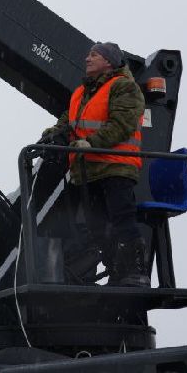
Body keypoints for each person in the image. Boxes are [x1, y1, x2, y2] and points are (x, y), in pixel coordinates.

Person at [43, 42, 148, 287]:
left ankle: (136, 271)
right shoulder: (81, 93)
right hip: (87, 171)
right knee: (98, 227)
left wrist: (92, 142)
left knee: (122, 220)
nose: (87, 58)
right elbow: (67, 122)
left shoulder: (124, 87)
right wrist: (53, 135)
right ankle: (118, 273)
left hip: (115, 166)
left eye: (94, 55)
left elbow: (122, 124)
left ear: (109, 62)